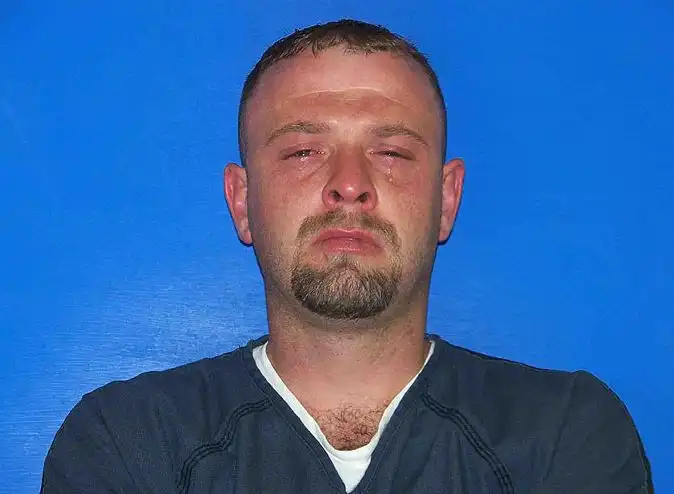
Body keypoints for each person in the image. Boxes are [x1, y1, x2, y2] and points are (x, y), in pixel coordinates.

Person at [41, 19, 652, 493]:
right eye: (303, 151)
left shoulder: (562, 433)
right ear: (243, 201)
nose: (350, 184)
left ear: (446, 200)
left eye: (392, 153)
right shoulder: (130, 441)